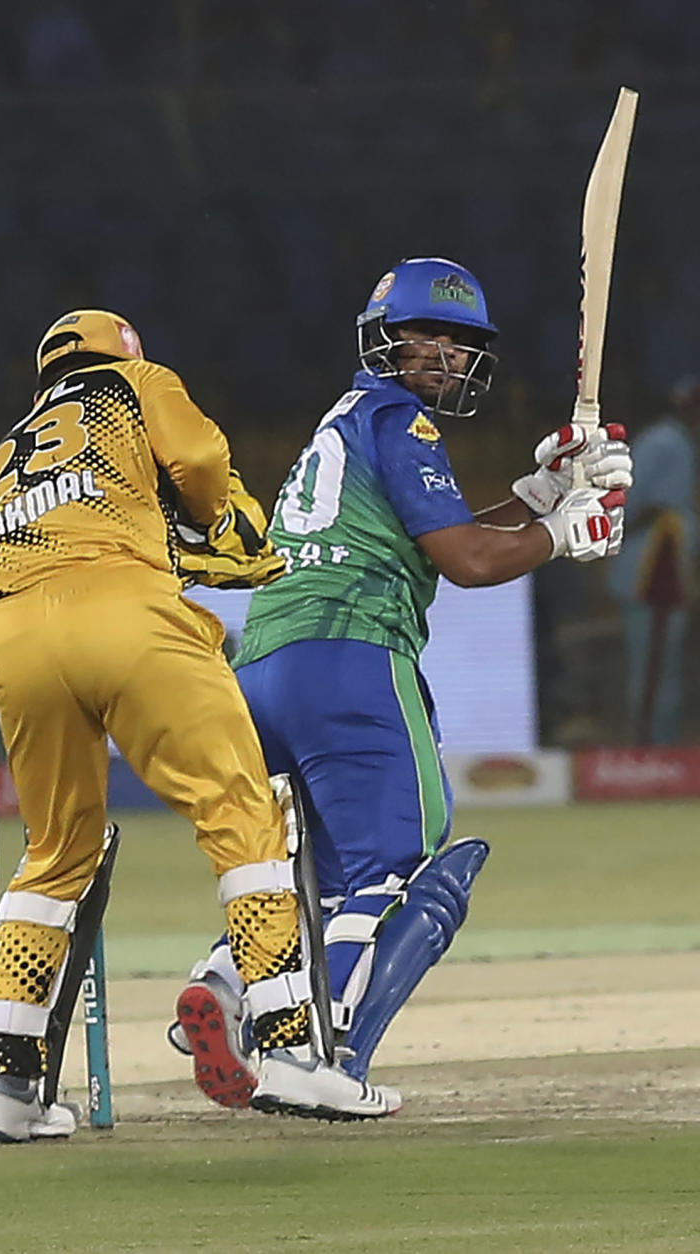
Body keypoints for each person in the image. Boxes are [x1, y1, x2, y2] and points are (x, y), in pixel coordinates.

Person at [168, 257, 633, 1104]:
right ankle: (322, 1060)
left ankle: (225, 984)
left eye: (459, 342)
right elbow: (466, 562)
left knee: (305, 875)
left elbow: (446, 532)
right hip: (346, 657)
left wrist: (543, 497)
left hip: (262, 666)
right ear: (384, 339)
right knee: (398, 868)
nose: (444, 353)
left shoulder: (345, 421)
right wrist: (570, 535)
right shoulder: (401, 421)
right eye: (427, 334)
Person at [0, 308, 402, 1142]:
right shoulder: (137, 384)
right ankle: (289, 1052)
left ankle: (8, 1088)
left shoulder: (6, 449)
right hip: (125, 615)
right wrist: (214, 517)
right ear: (124, 353)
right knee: (243, 814)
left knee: (56, 853)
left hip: (14, 641)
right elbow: (199, 461)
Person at [607, 375, 699, 743]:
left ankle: (658, 749)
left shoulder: (677, 442)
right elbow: (637, 503)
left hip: (663, 566)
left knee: (661, 668)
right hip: (654, 570)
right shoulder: (668, 443)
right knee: (654, 670)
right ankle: (649, 759)